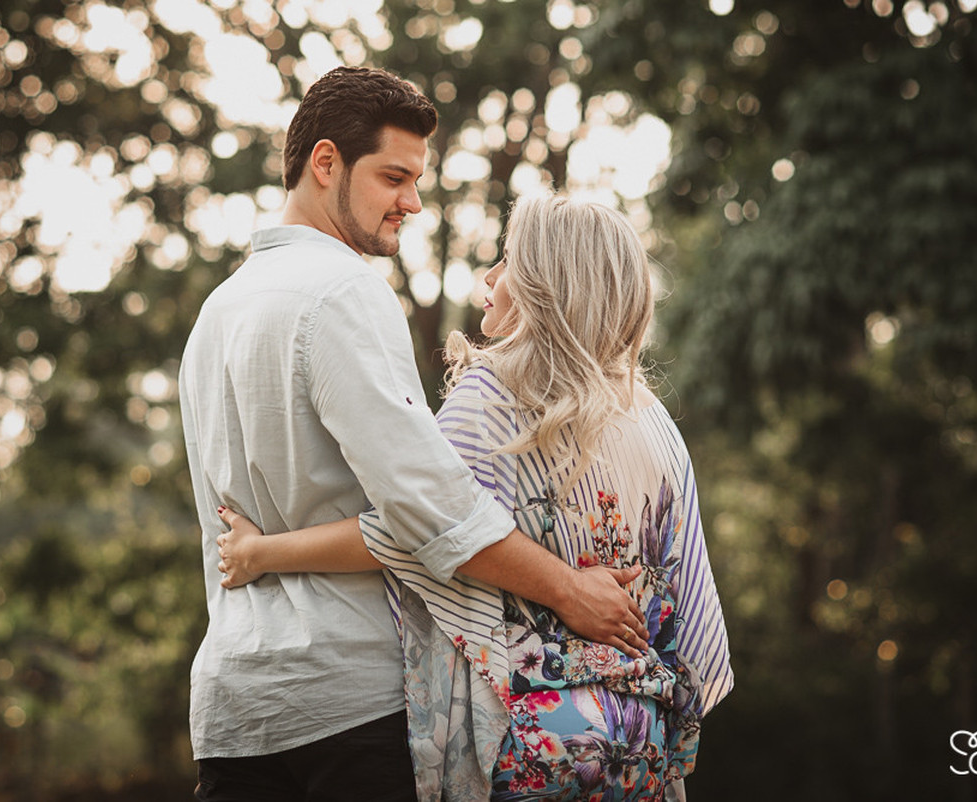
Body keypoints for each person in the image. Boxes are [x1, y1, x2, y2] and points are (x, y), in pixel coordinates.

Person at [178, 67, 648, 802]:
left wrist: (264, 553)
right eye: (394, 177)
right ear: (325, 162)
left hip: (235, 710)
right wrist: (570, 591)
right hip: (351, 709)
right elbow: (431, 507)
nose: (413, 202)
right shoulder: (343, 291)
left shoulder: (218, 310)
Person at [214, 194, 734, 801]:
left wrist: (262, 554)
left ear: (546, 284)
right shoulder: (654, 420)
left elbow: (411, 529)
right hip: (641, 744)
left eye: (508, 260)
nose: (489, 277)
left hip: (534, 742)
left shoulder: (495, 397)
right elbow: (695, 625)